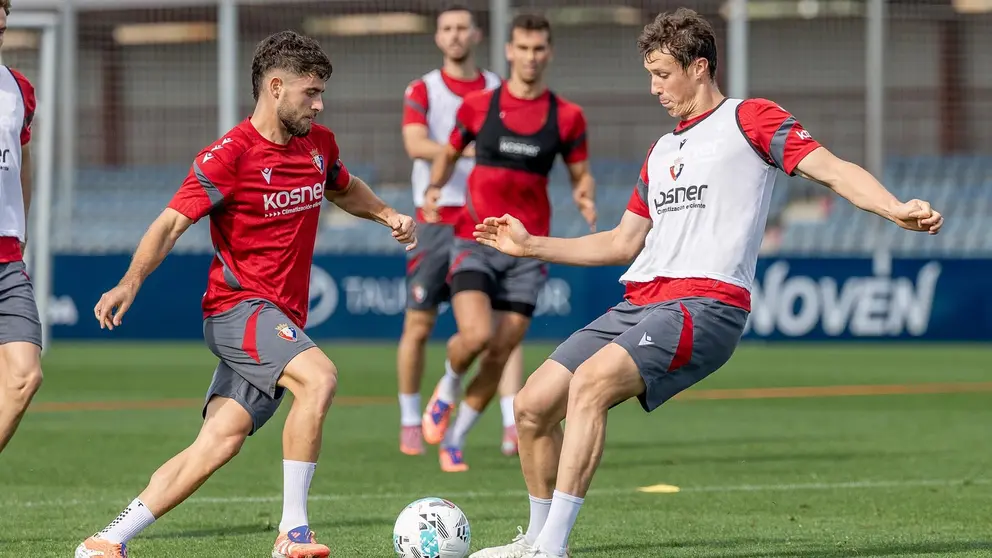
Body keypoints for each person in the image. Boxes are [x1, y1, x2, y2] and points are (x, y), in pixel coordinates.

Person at [468, 8, 943, 558]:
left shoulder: (752, 119)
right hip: (640, 301)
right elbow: (622, 244)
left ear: (699, 67)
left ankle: (552, 548)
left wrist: (894, 208)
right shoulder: (661, 150)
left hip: (706, 303)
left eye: (663, 74)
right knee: (530, 405)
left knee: (590, 385)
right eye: (649, 74)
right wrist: (530, 246)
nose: (654, 88)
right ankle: (533, 538)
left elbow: (833, 168)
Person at [75, 31, 416, 558]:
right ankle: (293, 533)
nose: (319, 103)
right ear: (275, 87)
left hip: (279, 319)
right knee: (320, 377)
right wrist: (130, 281)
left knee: (220, 441)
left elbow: (345, 187)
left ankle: (107, 541)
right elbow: (169, 225)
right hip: (237, 310)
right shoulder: (227, 157)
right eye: (311, 92)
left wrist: (387, 213)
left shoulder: (318, 145)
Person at [421, 13, 597, 473]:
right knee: (477, 336)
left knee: (500, 353)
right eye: (522, 48)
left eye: (539, 49)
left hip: (527, 249)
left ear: (549, 53)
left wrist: (585, 196)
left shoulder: (568, 117)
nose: (530, 57)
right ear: (509, 51)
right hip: (475, 236)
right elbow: (450, 151)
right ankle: (448, 385)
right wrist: (435, 188)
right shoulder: (479, 106)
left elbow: (581, 173)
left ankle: (455, 438)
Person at [397, 3, 524, 458]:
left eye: (462, 28)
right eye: (446, 28)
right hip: (436, 217)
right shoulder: (424, 88)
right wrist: (465, 152)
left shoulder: (497, 89)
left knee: (503, 326)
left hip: (485, 218)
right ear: (437, 37)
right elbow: (414, 143)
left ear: (475, 35)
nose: (454, 35)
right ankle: (411, 419)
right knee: (419, 321)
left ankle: (512, 421)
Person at [0, 0, 43, 457]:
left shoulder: (18, 88)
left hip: (7, 256)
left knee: (24, 375)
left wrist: (23, 228)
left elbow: (22, 158)